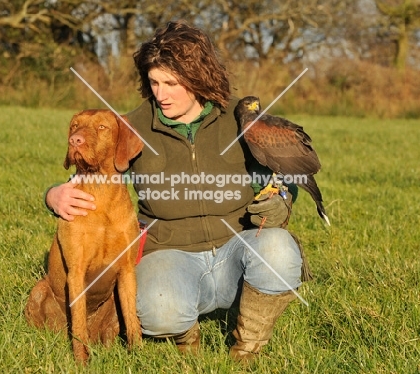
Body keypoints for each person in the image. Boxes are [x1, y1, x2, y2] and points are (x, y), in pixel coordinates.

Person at [45, 20, 308, 363]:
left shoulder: (238, 118)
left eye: (172, 83)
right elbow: (89, 169)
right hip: (169, 252)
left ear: (199, 79)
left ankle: (246, 351)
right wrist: (53, 196)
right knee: (158, 308)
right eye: (154, 82)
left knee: (280, 250)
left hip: (236, 249)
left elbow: (282, 178)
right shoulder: (132, 125)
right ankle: (186, 342)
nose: (161, 93)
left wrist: (282, 203)